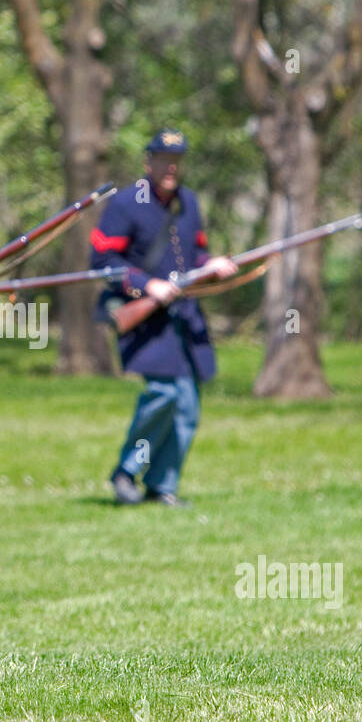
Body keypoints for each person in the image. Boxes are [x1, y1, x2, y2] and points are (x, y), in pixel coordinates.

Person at [89, 129, 238, 508]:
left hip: (184, 317)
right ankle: (126, 471)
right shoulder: (126, 204)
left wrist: (212, 266)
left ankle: (161, 484)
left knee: (187, 404)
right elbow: (103, 264)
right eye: (163, 159)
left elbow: (195, 256)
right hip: (145, 318)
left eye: (177, 160)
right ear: (148, 162)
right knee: (164, 394)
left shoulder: (187, 202)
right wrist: (146, 284)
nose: (171, 167)